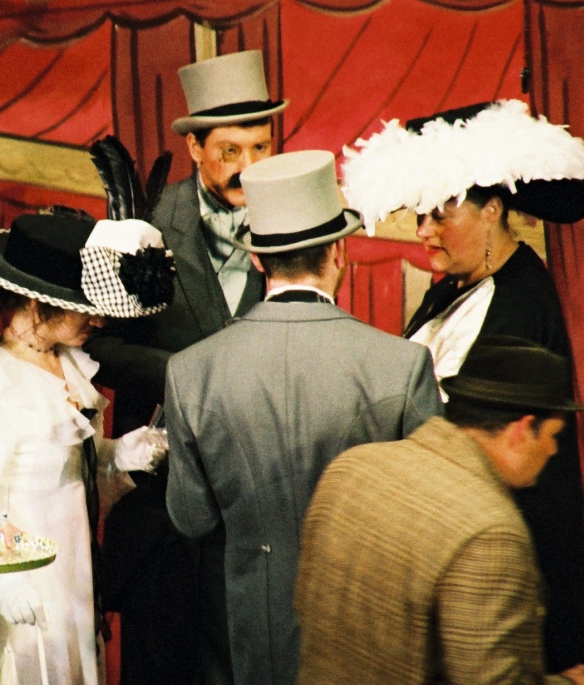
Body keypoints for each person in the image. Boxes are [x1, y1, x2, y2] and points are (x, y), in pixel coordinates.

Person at [165, 150, 443, 685]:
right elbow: (430, 520)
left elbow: (191, 518)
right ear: (338, 251)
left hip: (253, 633)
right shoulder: (402, 366)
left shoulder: (191, 372)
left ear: (258, 261)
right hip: (371, 633)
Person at [342, 99, 584, 672]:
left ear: (492, 211)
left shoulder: (521, 301)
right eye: (420, 214)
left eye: (440, 214)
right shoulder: (454, 285)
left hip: (503, 574)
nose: (424, 231)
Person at [83, 49, 289, 685]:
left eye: (260, 147)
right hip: (164, 519)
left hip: (258, 514)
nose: (248, 165)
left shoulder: (296, 219)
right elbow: (96, 349)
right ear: (195, 148)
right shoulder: (146, 224)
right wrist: (190, 373)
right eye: (230, 150)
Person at [0, 210, 176, 685]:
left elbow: (68, 472)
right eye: (82, 306)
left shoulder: (69, 364)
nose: (98, 319)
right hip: (23, 590)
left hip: (74, 570)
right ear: (37, 303)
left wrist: (119, 454)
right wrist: (5, 581)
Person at [295, 336, 584, 684]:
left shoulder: (351, 468)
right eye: (553, 435)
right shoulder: (489, 533)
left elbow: (307, 607)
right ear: (521, 430)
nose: (553, 450)